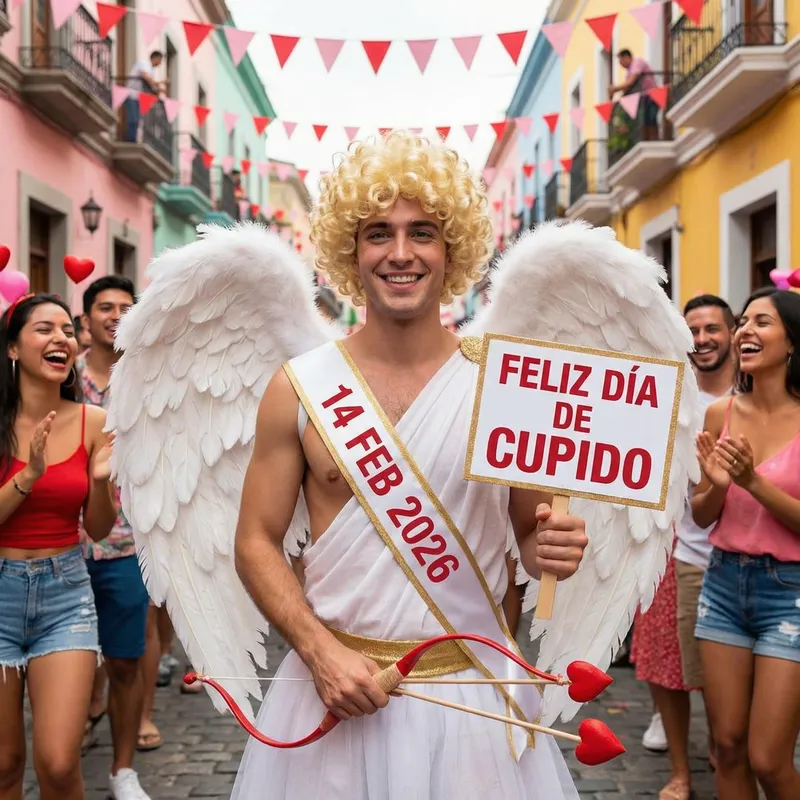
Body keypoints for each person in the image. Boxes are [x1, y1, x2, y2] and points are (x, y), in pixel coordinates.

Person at [230, 132, 589, 799]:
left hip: (470, 702)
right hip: (336, 690)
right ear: (351, 251)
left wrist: (551, 547)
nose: (400, 253)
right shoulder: (299, 387)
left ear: (452, 250)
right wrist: (318, 651)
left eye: (422, 232)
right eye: (378, 234)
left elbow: (528, 536)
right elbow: (255, 540)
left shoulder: (504, 384)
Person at [0, 293, 116, 800]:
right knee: (3, 764)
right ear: (12, 348)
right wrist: (29, 475)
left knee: (60, 762)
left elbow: (99, 529)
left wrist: (101, 482)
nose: (61, 339)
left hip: (64, 594)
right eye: (45, 329)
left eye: (68, 330)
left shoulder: (94, 421)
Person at [693, 287, 800, 800]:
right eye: (743, 322)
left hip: (790, 595)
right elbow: (701, 515)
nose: (745, 332)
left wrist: (753, 482)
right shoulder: (720, 413)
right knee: (729, 746)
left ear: (792, 341)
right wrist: (717, 485)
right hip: (722, 585)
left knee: (769, 760)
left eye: (762, 322)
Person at [76, 276, 154, 800]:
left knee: (125, 658)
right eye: (105, 307)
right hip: (64, 543)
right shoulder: (61, 374)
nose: (116, 315)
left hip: (127, 540)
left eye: (126, 307)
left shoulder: (148, 378)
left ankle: (123, 770)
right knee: (72, 660)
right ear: (86, 319)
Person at [608, 48, 659, 140]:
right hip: (643, 98)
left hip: (651, 95)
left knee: (651, 118)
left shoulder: (637, 62)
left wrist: (615, 89)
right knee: (645, 119)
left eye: (621, 61)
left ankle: (654, 138)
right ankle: (648, 138)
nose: (621, 64)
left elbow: (631, 81)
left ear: (626, 57)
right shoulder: (628, 72)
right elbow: (627, 88)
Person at [123, 50, 164, 143]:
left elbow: (151, 82)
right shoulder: (144, 64)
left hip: (139, 98)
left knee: (137, 120)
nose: (160, 63)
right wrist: (156, 85)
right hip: (131, 95)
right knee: (133, 119)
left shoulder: (151, 70)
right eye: (160, 60)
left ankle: (132, 139)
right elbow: (145, 76)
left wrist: (158, 87)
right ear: (155, 58)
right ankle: (130, 140)